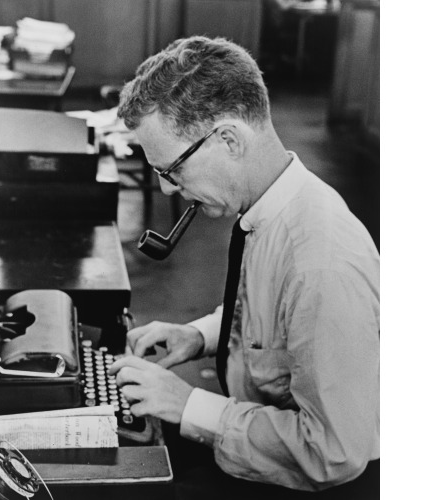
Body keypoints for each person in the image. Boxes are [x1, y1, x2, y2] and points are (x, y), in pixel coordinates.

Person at [109, 36, 379, 494]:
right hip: (257, 427)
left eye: (172, 170)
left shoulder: (321, 265)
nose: (170, 190)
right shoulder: (274, 207)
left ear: (229, 139)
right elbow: (276, 315)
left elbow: (333, 452)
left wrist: (188, 404)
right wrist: (199, 335)